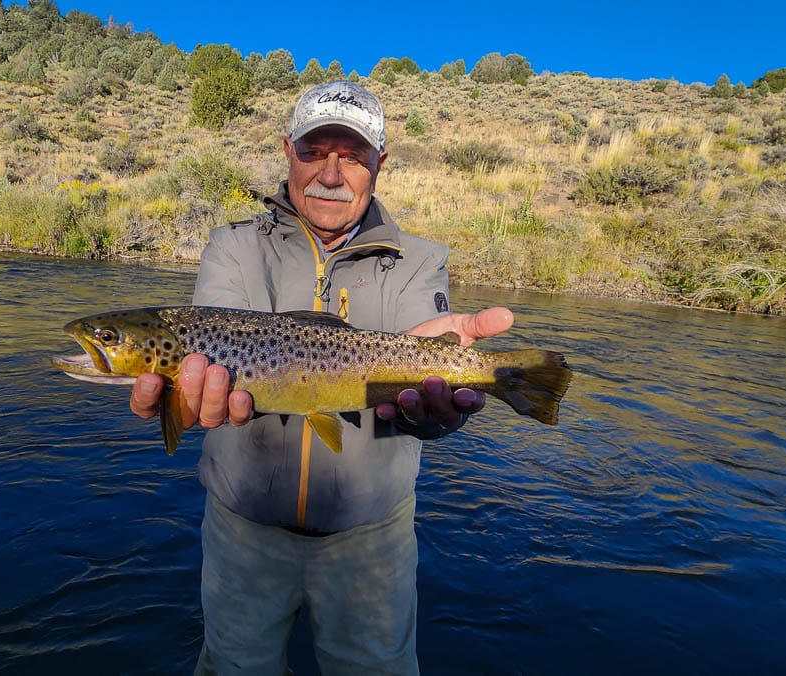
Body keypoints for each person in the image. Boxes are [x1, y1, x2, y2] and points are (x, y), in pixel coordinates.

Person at [129, 80, 515, 675]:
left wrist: (440, 407)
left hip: (372, 538)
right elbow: (202, 351)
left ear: (379, 165)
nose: (330, 174)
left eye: (353, 156)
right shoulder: (233, 247)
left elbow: (427, 389)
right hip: (243, 528)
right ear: (288, 151)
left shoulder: (418, 259)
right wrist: (182, 403)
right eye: (314, 152)